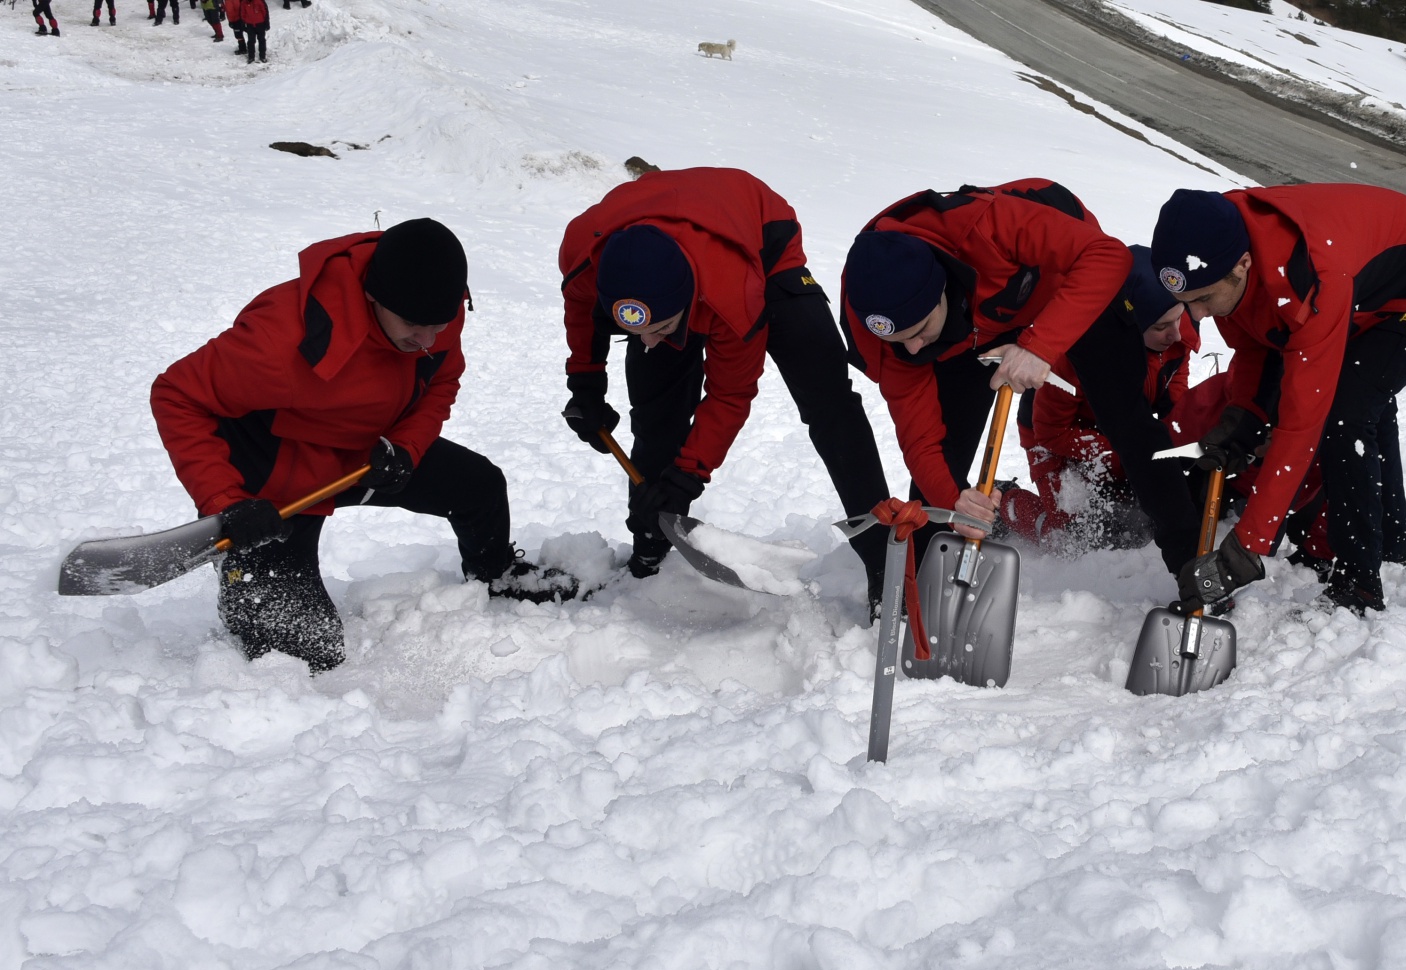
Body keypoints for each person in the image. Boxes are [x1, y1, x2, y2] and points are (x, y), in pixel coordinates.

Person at [151, 219, 565, 675]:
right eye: (413, 325)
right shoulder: (280, 340)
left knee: (480, 487)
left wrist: (405, 449)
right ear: (373, 295)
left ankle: (496, 575)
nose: (428, 341)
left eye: (439, 325)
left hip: (365, 457)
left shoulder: (431, 312)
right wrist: (227, 501)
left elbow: (441, 381)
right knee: (306, 654)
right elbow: (176, 394)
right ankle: (247, 572)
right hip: (275, 484)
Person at [559, 167, 891, 610]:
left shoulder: (732, 297)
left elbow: (730, 395)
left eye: (659, 327)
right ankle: (649, 545)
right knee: (657, 413)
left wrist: (687, 478)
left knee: (828, 400)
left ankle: (883, 562)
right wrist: (585, 384)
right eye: (633, 329)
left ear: (689, 304)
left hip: (762, 241)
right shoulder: (585, 253)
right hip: (659, 233)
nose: (646, 340)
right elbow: (583, 312)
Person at [1151, 185, 1406, 614]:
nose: (1197, 316)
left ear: (1243, 264)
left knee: (1346, 413)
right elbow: (1255, 344)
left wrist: (1247, 547)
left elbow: (1301, 425)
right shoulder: (1216, 241)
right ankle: (1393, 545)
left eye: (1204, 299)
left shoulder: (1311, 279)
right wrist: (1243, 415)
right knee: (1363, 402)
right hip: (1361, 280)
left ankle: (1358, 584)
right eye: (1185, 303)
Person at [840, 180, 1193, 570]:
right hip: (974, 329)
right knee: (948, 452)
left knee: (1126, 416)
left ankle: (1189, 561)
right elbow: (920, 440)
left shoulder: (989, 226)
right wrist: (953, 500)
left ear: (941, 287)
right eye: (900, 340)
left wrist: (1039, 345)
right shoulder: (886, 339)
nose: (913, 349)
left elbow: (1107, 255)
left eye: (920, 329)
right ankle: (919, 577)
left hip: (1067, 285)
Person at [1000, 245, 1199, 551]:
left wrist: (1174, 447)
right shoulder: (1075, 357)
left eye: (1178, 319)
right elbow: (1050, 431)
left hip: (1117, 428)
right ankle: (1004, 504)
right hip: (1054, 435)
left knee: (1144, 516)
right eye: (1161, 327)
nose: (1176, 334)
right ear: (1130, 327)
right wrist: (1123, 457)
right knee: (1070, 539)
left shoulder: (1174, 335)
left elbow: (1174, 400)